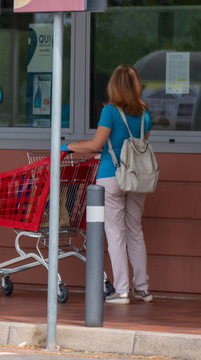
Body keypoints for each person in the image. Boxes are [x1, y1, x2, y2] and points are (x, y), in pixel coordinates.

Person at [65, 64, 153, 304]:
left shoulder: (110, 111)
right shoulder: (145, 113)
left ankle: (122, 290)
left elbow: (96, 145)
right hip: (136, 179)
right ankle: (142, 288)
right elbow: (137, 145)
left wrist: (69, 146)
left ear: (114, 86)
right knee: (135, 231)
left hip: (111, 176)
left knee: (116, 235)